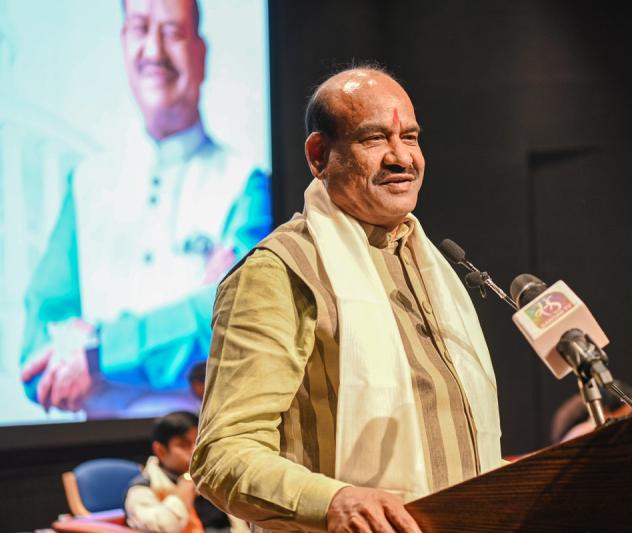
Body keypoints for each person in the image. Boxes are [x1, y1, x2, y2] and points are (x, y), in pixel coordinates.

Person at [190, 66, 504, 532]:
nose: (401, 157)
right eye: (374, 139)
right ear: (319, 156)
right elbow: (222, 454)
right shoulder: (279, 271)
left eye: (410, 137)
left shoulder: (431, 268)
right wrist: (334, 501)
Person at [19, 0, 271, 417]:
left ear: (201, 53)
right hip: (93, 445)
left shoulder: (246, 184)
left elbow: (234, 318)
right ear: (123, 43)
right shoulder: (86, 183)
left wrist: (98, 353)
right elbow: (36, 350)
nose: (154, 51)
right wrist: (184, 322)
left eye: (172, 33)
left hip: (201, 447)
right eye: (140, 28)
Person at [125, 410, 248, 533]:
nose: (195, 451)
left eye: (198, 442)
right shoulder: (141, 488)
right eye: (184, 445)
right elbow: (163, 527)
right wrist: (186, 485)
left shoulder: (214, 474)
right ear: (160, 450)